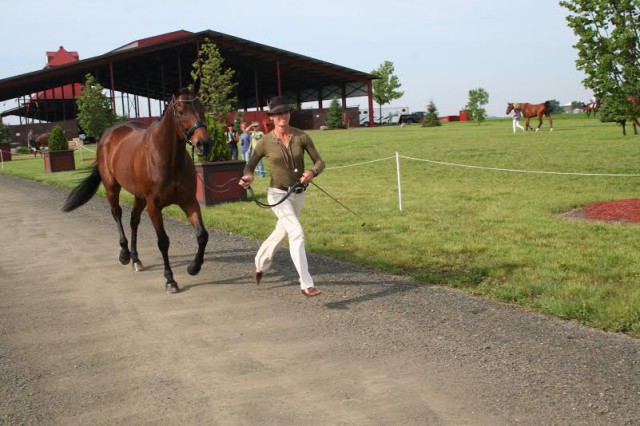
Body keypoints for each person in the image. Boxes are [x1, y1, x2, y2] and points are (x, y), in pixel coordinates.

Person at [239, 96, 325, 297]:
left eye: (285, 112)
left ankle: (260, 264)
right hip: (277, 195)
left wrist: (312, 172)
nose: (282, 116)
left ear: (289, 114)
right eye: (277, 114)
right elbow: (250, 165)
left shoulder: (301, 137)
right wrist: (248, 177)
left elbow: (320, 161)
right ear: (272, 117)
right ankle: (306, 284)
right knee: (296, 232)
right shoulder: (265, 141)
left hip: (298, 194)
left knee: (281, 232)